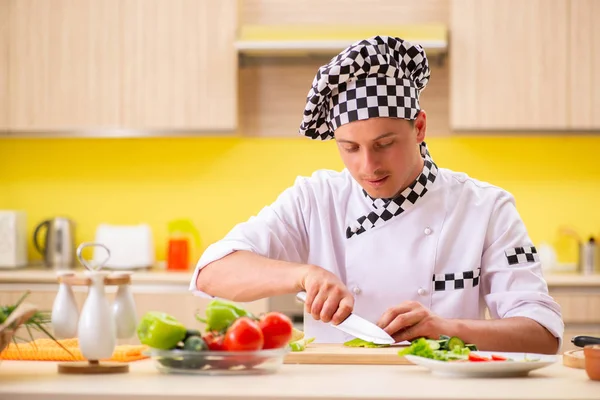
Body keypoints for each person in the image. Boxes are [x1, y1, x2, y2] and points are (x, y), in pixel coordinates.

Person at [189, 35, 563, 354]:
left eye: (384, 144)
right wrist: (304, 275)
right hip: (334, 388)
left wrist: (446, 328)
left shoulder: (485, 208)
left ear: (419, 127)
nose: (368, 166)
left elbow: (543, 335)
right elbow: (211, 273)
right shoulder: (315, 199)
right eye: (350, 148)